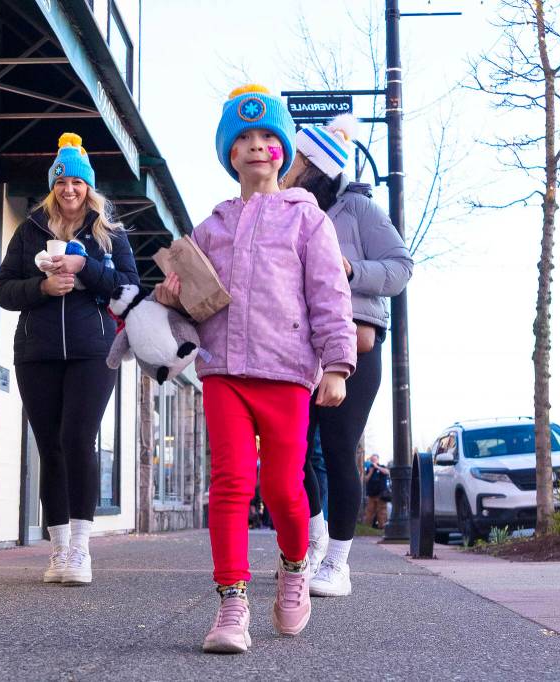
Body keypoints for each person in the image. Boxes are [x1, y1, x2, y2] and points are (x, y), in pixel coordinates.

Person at [155, 84, 356, 653]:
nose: (257, 146)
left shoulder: (307, 219)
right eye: (242, 138)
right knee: (231, 482)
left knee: (283, 486)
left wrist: (337, 364)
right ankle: (231, 603)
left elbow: (329, 292)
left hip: (288, 371)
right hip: (223, 372)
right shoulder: (211, 225)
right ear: (229, 153)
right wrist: (170, 295)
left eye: (268, 136)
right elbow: (187, 292)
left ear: (284, 150)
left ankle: (295, 568)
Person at [0, 133, 139, 586]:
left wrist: (84, 272)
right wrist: (41, 289)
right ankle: (57, 551)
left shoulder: (110, 235)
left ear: (88, 187)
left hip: (93, 352)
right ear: (52, 188)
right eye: (62, 182)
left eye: (77, 182)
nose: (69, 190)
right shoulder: (29, 231)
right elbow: (3, 289)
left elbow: (129, 290)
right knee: (50, 446)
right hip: (35, 354)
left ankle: (81, 548)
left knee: (78, 440)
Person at [281, 114, 414, 597]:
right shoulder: (287, 209)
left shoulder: (358, 209)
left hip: (354, 347)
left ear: (315, 164)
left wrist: (349, 269)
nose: (286, 164)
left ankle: (338, 561)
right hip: (298, 348)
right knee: (292, 454)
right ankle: (315, 540)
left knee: (339, 452)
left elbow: (400, 267)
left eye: (295, 158)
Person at [363, 454, 391, 529]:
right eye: (372, 460)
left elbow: (387, 472)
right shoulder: (369, 469)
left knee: (381, 512)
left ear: (378, 460)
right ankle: (367, 527)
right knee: (369, 512)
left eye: (374, 460)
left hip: (381, 494)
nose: (373, 461)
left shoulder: (382, 467)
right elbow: (365, 480)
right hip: (371, 494)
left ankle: (382, 527)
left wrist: (377, 467)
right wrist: (371, 471)